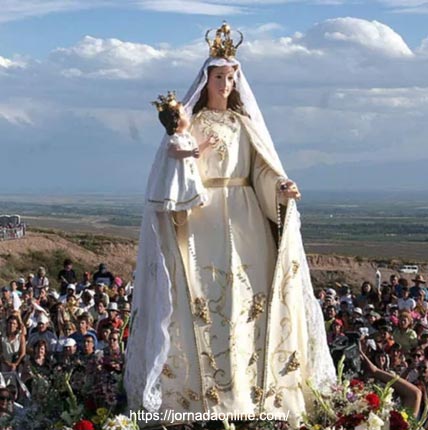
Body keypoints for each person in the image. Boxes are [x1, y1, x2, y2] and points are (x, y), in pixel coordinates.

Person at [125, 22, 335, 427]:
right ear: (205, 81)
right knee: (204, 302)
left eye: (231, 77)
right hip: (202, 223)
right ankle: (200, 399)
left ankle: (251, 394)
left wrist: (280, 188)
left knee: (247, 305)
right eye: (219, 77)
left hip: (247, 222)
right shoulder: (192, 123)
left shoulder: (244, 125)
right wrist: (186, 151)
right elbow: (172, 177)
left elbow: (260, 171)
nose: (226, 84)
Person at [147, 91, 210, 212]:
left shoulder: (187, 137)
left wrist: (207, 143)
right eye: (183, 115)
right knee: (180, 185)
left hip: (189, 169)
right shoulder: (173, 139)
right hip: (179, 171)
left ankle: (196, 199)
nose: (187, 117)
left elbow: (196, 151)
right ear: (176, 121)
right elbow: (174, 152)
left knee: (193, 182)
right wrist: (190, 153)